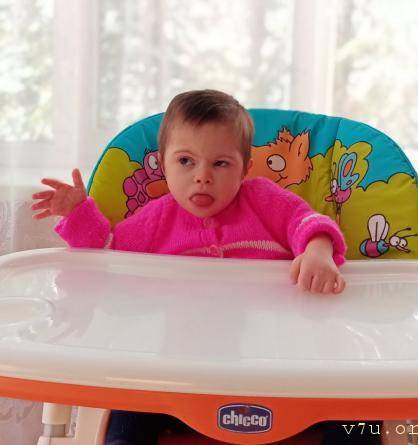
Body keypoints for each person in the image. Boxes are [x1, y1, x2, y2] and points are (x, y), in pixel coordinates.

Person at [32, 89, 347, 445]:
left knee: (352, 408)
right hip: (176, 377)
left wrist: (318, 250)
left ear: (245, 169)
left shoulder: (262, 200)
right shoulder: (157, 219)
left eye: (220, 164)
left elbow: (305, 221)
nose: (203, 176)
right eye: (186, 161)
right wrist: (78, 213)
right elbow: (108, 257)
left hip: (275, 369)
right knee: (129, 403)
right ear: (163, 164)